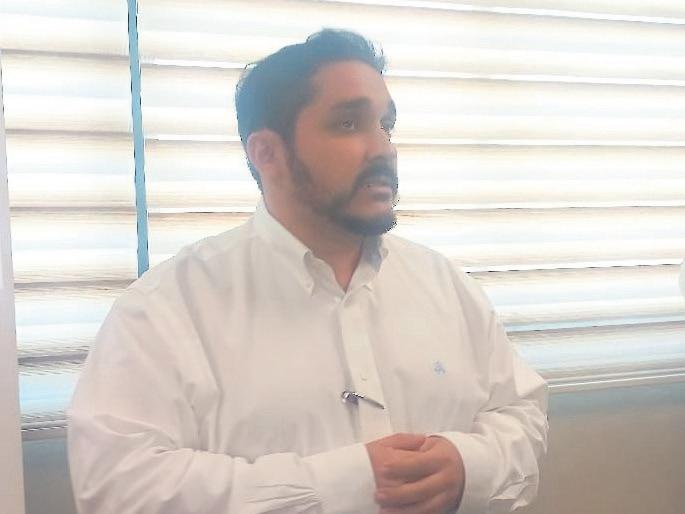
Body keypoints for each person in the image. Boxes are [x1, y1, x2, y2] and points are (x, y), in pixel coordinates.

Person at [68, 29, 548, 514]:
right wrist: (343, 485)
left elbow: (521, 414)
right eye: (348, 124)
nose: (383, 149)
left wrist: (469, 465)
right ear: (267, 154)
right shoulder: (166, 309)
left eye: (386, 125)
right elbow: (120, 489)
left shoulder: (444, 284)